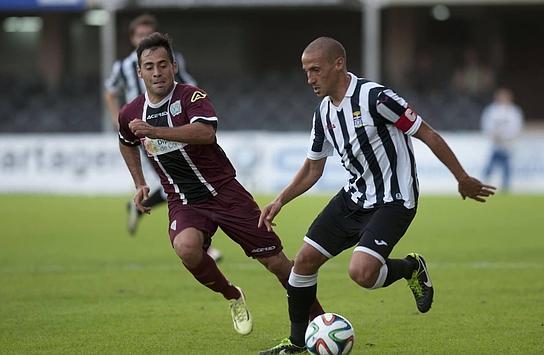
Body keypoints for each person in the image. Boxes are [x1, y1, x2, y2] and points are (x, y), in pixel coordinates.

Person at [258, 37, 496, 354]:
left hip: (394, 199)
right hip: (354, 197)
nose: (310, 79)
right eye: (306, 71)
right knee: (303, 262)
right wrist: (281, 199)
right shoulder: (324, 114)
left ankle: (411, 268)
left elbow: (427, 133)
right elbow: (313, 168)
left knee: (362, 273)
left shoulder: (376, 98)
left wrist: (462, 177)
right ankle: (296, 342)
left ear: (338, 64)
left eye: (315, 70)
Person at [117, 32, 323, 336]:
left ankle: (319, 321)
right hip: (184, 200)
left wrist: (156, 132)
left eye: (163, 64)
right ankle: (232, 295)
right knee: (187, 248)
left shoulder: (192, 97)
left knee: (277, 263)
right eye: (149, 66)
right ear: (139, 72)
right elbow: (126, 141)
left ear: (173, 66)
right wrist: (139, 182)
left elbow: (205, 133)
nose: (157, 72)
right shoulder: (130, 113)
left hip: (226, 194)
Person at [104, 14, 215, 250]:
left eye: (148, 35)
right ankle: (197, 239)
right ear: (133, 39)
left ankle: (193, 235)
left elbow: (189, 85)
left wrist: (196, 110)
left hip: (173, 126)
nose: (143, 38)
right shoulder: (123, 67)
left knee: (180, 182)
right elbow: (110, 91)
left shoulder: (173, 62)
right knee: (178, 182)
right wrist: (116, 119)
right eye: (139, 35)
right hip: (146, 131)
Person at [480, 87, 524, 192]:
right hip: (495, 145)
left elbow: (517, 127)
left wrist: (507, 136)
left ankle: (506, 188)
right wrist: (492, 134)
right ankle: (483, 185)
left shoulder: (514, 111)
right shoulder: (492, 110)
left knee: (506, 168)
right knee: (489, 167)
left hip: (508, 145)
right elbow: (486, 125)